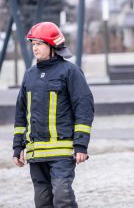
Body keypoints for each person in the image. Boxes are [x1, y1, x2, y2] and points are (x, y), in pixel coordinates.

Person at [12, 22, 94, 208]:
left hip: (62, 153)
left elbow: (84, 107)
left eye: (39, 43)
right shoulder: (30, 75)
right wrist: (18, 146)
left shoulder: (70, 71)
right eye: (33, 44)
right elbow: (21, 112)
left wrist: (81, 144)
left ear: (52, 45)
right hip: (36, 154)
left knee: (62, 197)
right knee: (42, 202)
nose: (35, 48)